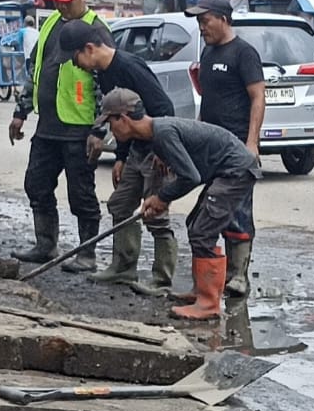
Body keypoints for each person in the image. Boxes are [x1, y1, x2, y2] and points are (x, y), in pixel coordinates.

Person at [98, 88, 260, 321]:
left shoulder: (162, 133)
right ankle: (200, 291)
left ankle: (208, 303)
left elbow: (190, 177)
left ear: (123, 119)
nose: (110, 130)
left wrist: (161, 198)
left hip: (236, 171)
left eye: (110, 122)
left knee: (203, 231)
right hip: (225, 170)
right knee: (195, 223)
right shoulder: (157, 133)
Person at [59, 20, 178, 292]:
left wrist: (164, 150)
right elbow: (121, 119)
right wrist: (121, 157)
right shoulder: (105, 72)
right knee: (120, 204)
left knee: (156, 215)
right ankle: (123, 269)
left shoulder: (129, 66)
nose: (76, 66)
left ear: (89, 48)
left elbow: (164, 107)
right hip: (135, 150)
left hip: (156, 150)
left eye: (76, 58)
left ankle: (162, 280)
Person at [9, 0, 107, 270]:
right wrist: (20, 112)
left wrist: (99, 130)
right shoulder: (50, 24)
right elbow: (35, 72)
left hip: (79, 129)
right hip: (48, 127)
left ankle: (87, 254)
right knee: (36, 184)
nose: (61, 6)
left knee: (81, 194)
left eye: (66, 0)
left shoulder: (96, 30)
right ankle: (46, 244)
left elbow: (108, 83)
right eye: (56, 0)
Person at [185, 0, 263, 298]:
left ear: (223, 19)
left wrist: (251, 144)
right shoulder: (208, 53)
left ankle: (238, 275)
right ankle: (213, 275)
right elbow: (208, 99)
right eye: (199, 23)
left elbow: (258, 97)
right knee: (210, 210)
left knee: (238, 211)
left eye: (205, 21)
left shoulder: (243, 53)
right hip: (212, 146)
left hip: (237, 148)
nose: (202, 28)